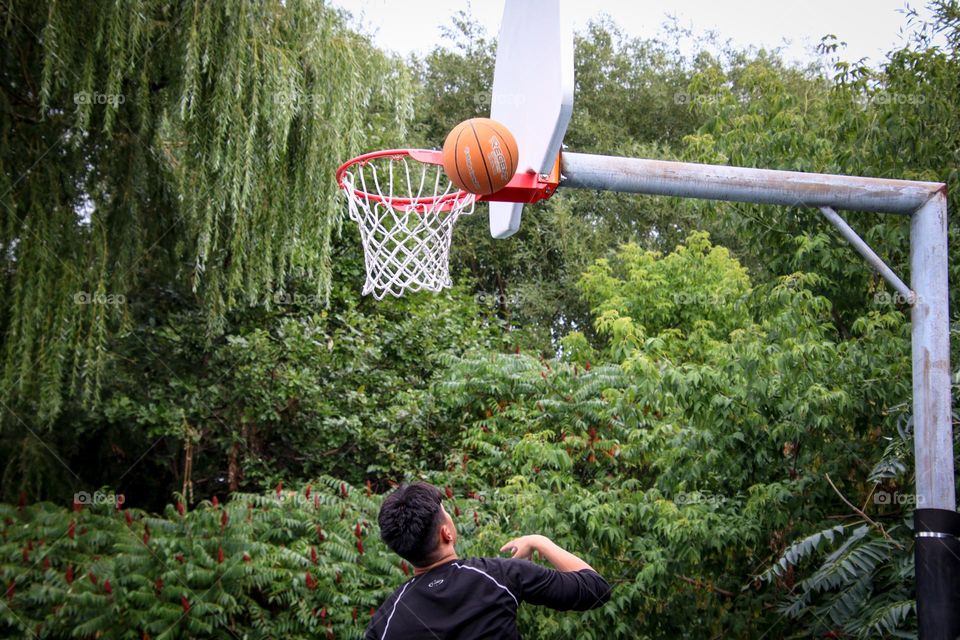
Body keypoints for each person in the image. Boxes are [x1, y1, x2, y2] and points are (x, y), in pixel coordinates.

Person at [364, 482, 612, 639]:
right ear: (446, 533)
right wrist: (539, 541)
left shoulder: (385, 621)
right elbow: (596, 589)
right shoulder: (499, 575)